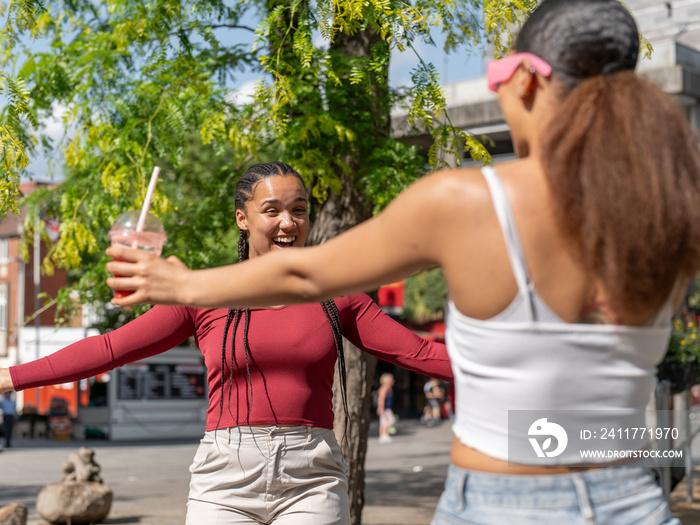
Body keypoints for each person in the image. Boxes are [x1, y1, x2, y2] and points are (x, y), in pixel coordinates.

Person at [99, 1, 700, 522]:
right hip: (632, 493)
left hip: (499, 501)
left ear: (524, 81)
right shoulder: (673, 210)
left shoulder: (467, 201)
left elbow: (305, 273)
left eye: (495, 74)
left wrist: (179, 282)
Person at [0, 162, 452, 525]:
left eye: (299, 209)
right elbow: (110, 349)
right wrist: (10, 377)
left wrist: (518, 367)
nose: (288, 223)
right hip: (226, 478)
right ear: (243, 218)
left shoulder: (339, 297)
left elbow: (420, 353)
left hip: (311, 475)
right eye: (271, 210)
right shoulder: (203, 292)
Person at [376, 373, 396, 443]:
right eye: (391, 380)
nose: (393, 381)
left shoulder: (390, 389)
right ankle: (383, 435)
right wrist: (380, 408)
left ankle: (384, 435)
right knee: (387, 421)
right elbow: (381, 399)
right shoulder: (383, 389)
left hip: (389, 408)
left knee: (386, 422)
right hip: (385, 408)